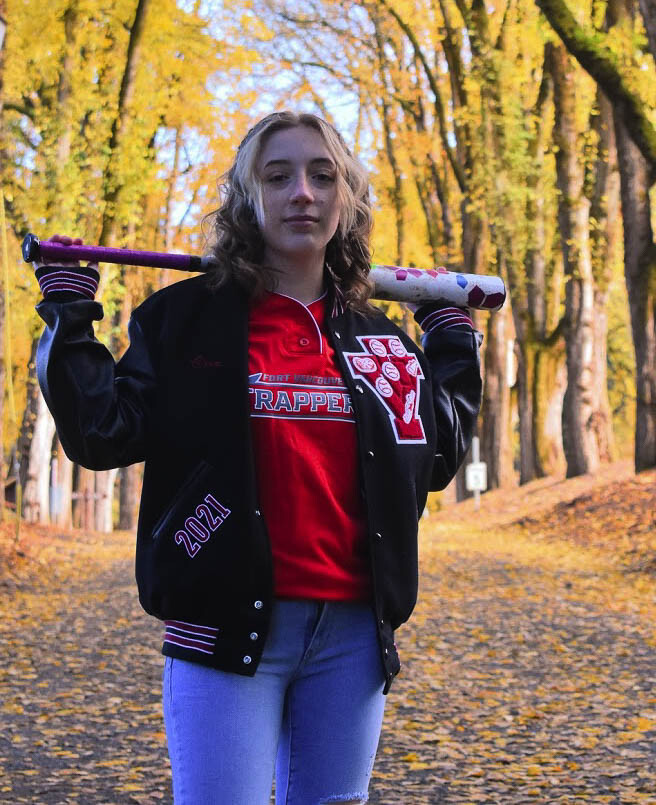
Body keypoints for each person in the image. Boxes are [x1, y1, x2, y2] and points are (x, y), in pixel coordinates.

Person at [33, 111, 482, 805]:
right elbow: (102, 431)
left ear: (346, 199)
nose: (302, 191)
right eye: (279, 176)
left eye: (322, 175)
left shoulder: (379, 341)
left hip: (354, 638)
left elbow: (438, 452)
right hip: (225, 626)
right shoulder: (185, 321)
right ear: (250, 199)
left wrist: (451, 341)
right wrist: (68, 314)